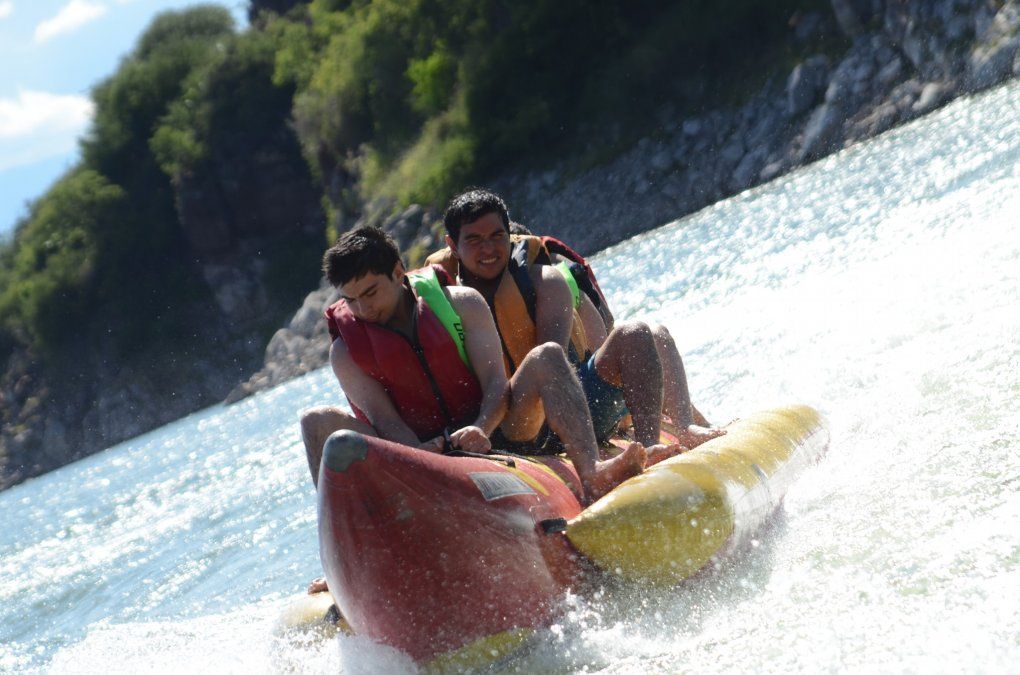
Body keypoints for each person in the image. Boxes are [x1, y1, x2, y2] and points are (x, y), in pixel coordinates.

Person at [299, 226, 646, 504]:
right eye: (350, 299)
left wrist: (481, 426)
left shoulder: (462, 304)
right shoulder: (345, 351)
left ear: (397, 271)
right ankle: (340, 549)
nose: (361, 309)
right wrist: (423, 458)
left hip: (497, 430)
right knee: (315, 422)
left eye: (371, 293)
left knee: (548, 356)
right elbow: (384, 420)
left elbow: (497, 383)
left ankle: (592, 474)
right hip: (418, 452)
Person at [441, 189, 724, 454]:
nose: (488, 249)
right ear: (452, 245)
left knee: (637, 333)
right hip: (510, 423)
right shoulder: (442, 303)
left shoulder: (546, 283)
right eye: (474, 240)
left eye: (496, 236)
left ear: (510, 236)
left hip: (567, 404)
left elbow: (553, 362)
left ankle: (651, 446)